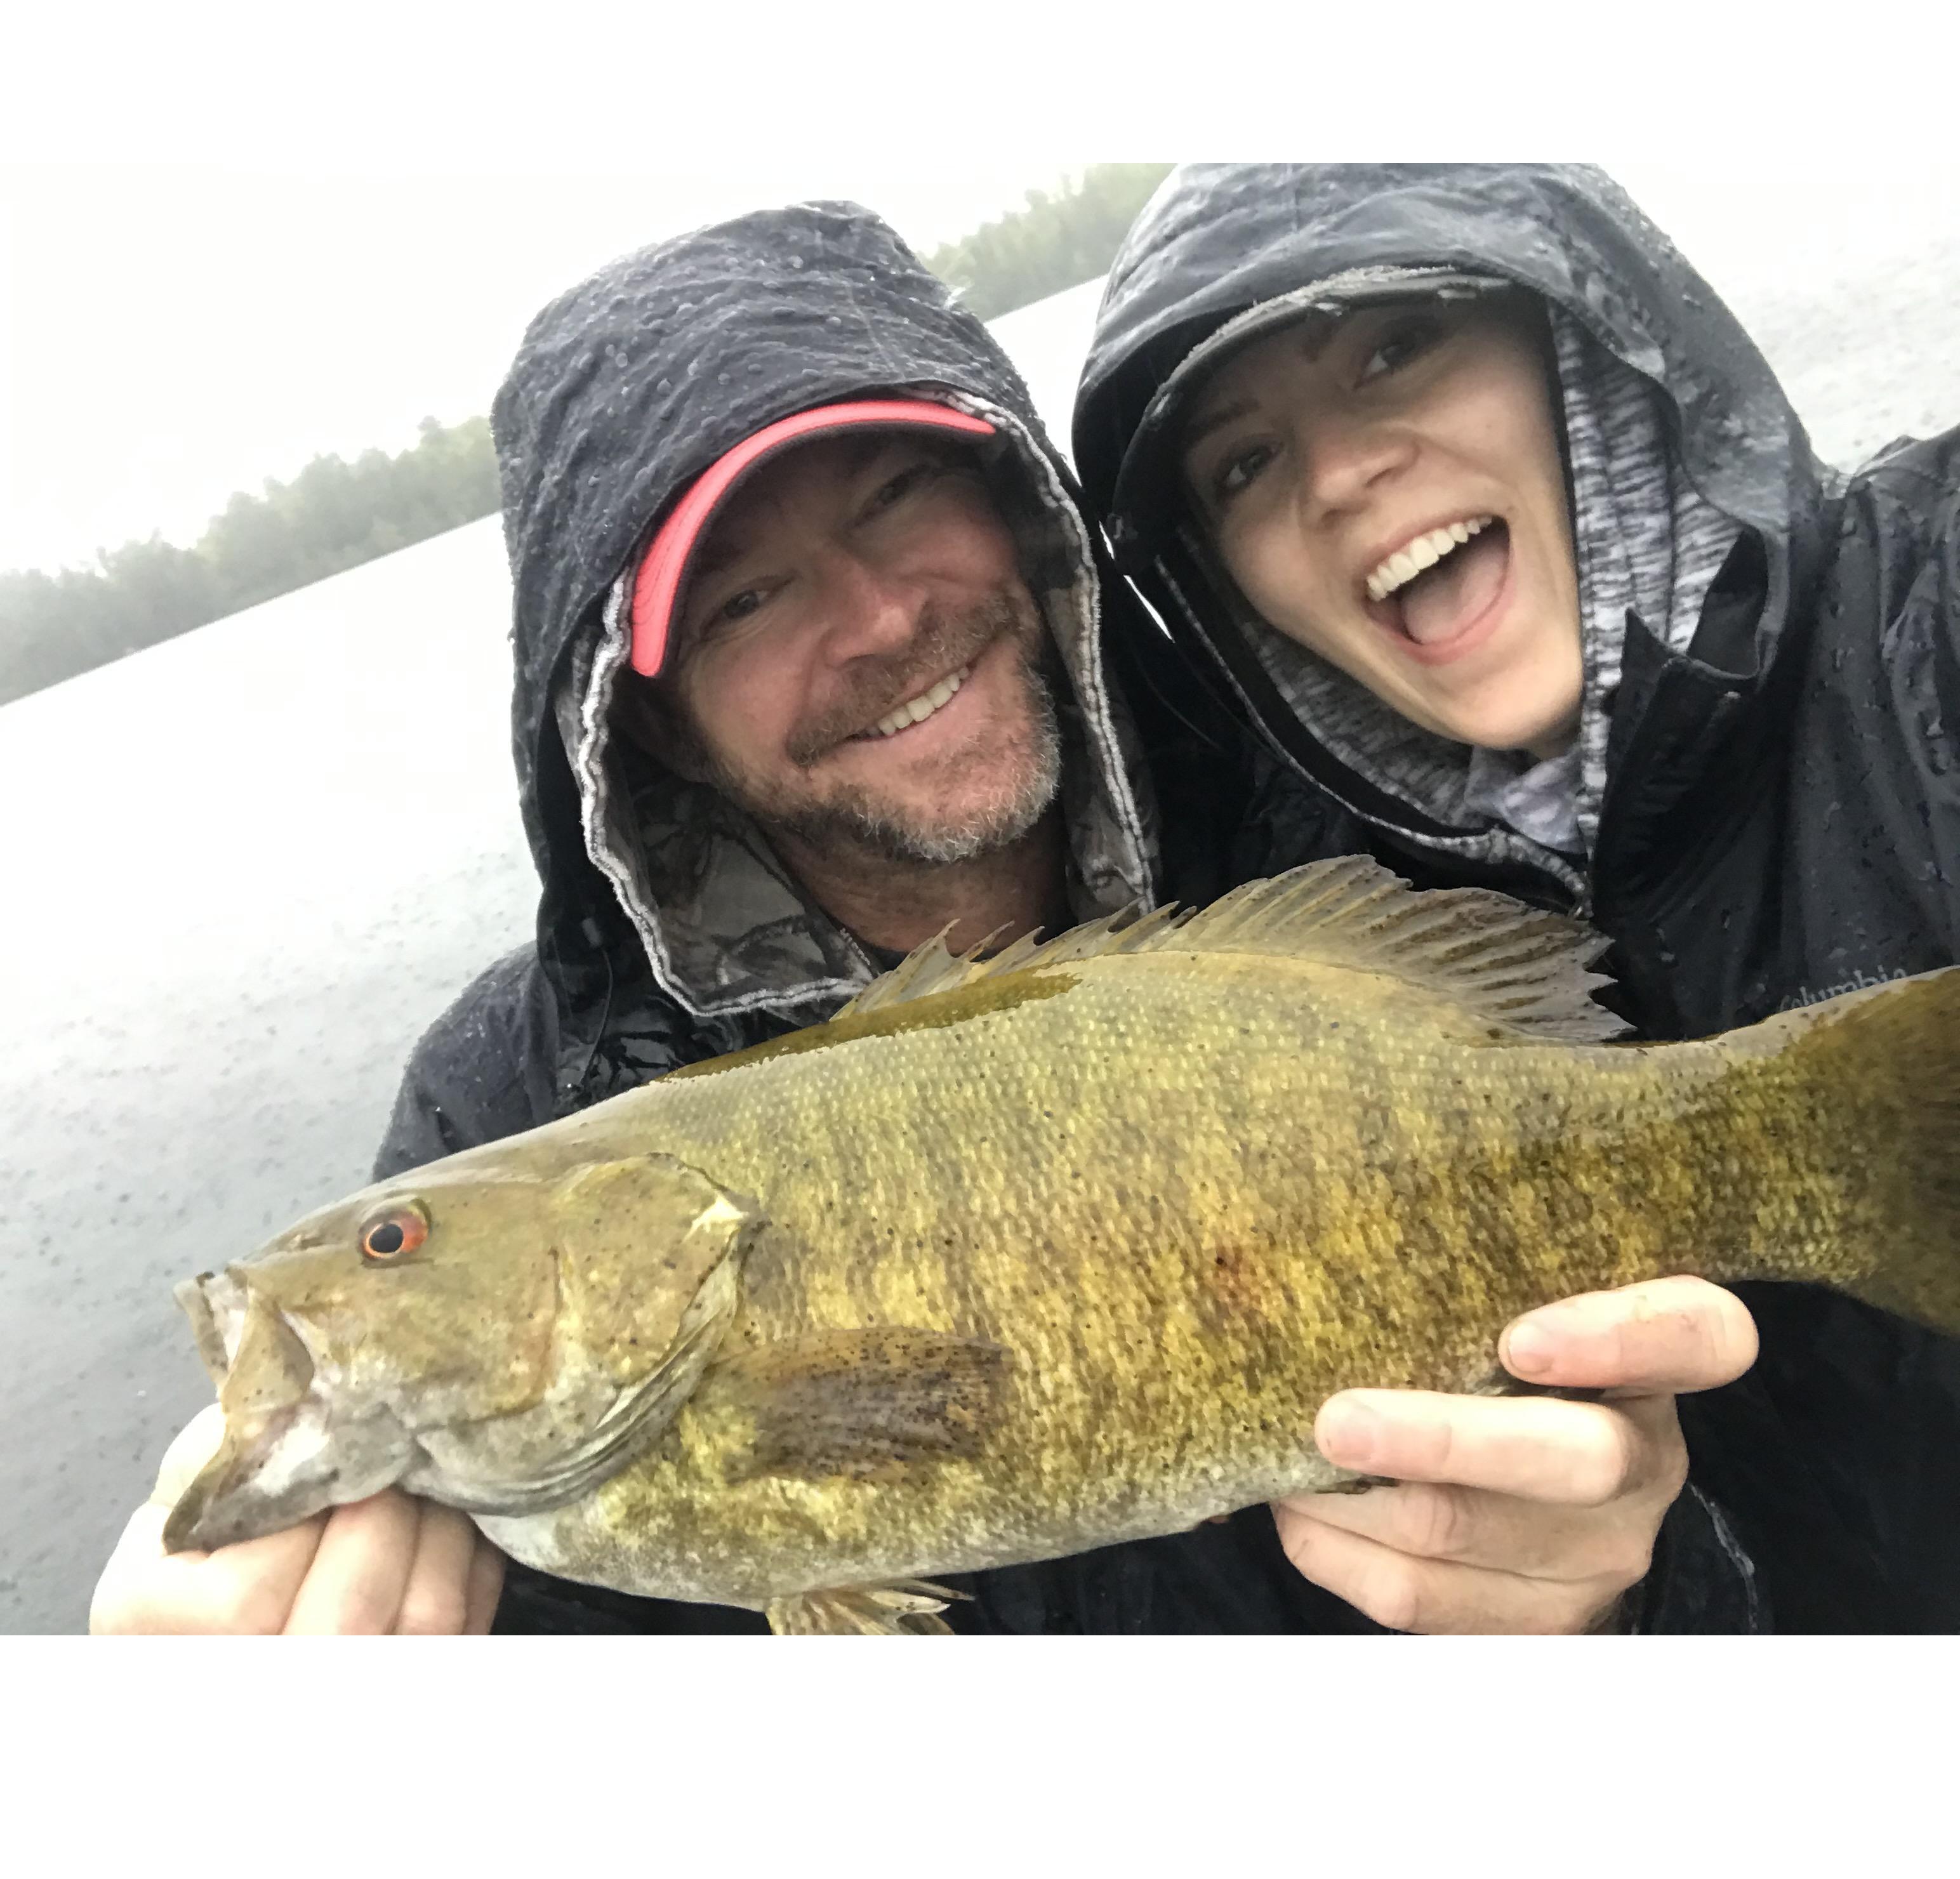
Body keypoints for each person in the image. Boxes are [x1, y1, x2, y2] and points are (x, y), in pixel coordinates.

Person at [93, 199, 1760, 1636]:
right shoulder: (508, 1107)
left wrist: (1626, 1598)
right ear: (646, 719)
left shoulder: (1374, 812)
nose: (883, 618)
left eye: (898, 499)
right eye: (748, 595)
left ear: (1026, 512)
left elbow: (1777, 1500)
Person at [1074, 161, 1960, 1632]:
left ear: (1575, 332)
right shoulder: (1296, 950)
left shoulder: (1927, 607)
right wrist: (1604, 1614)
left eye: (1389, 345)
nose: (1340, 471)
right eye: (1238, 466)